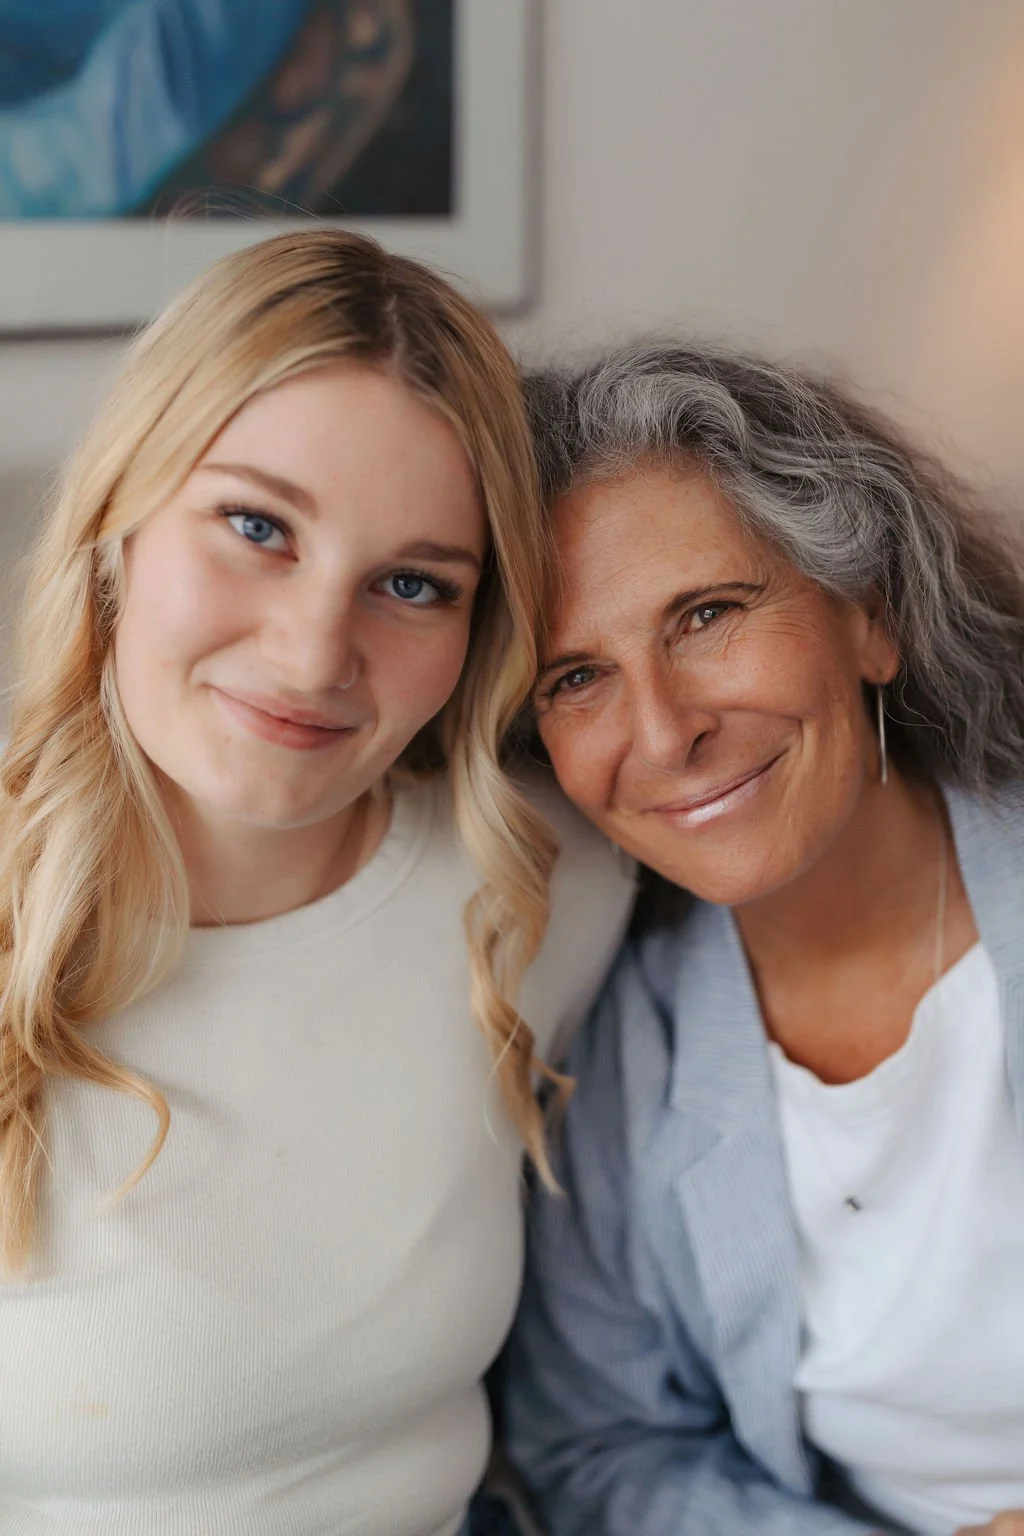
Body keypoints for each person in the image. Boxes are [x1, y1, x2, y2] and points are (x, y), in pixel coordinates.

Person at [0, 231, 634, 1535]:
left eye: (413, 584)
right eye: (256, 527)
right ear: (120, 520)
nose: (311, 654)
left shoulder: (552, 885)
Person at [504, 340, 1024, 1536]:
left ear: (871, 623)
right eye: (575, 676)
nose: (665, 728)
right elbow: (601, 1445)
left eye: (706, 614)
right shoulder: (617, 1061)